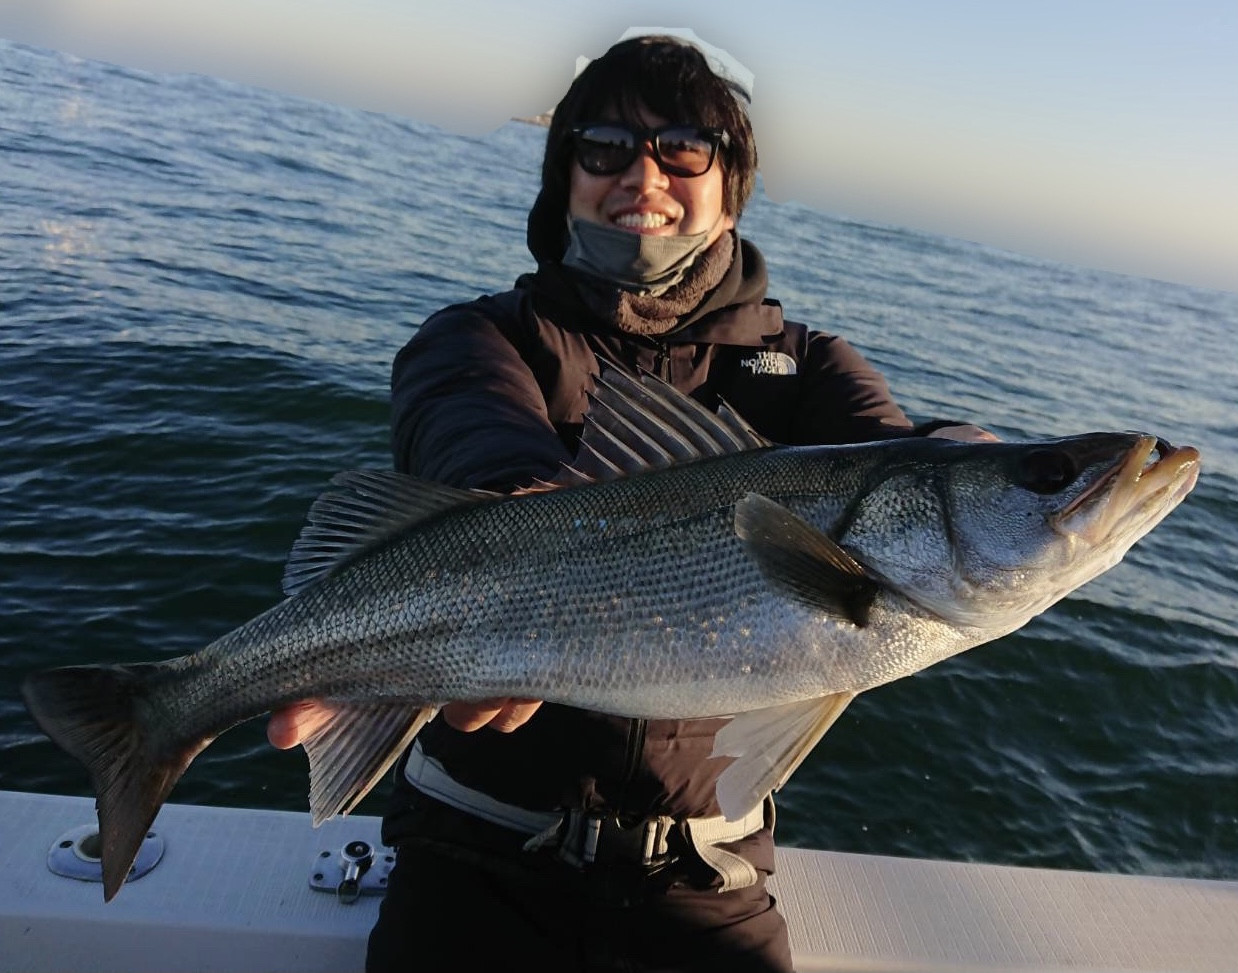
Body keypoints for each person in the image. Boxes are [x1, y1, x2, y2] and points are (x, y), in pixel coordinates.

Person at [269, 30, 994, 972]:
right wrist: (515, 547)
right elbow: (475, 436)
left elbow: (896, 462)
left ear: (732, 185)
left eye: (684, 148)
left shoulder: (810, 369)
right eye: (604, 149)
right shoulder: (485, 336)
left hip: (708, 878)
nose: (642, 175)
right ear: (562, 177)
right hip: (474, 850)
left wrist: (970, 453)